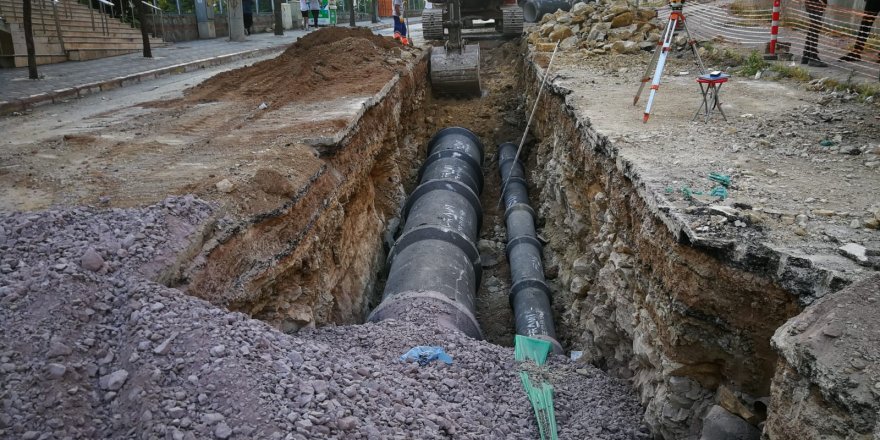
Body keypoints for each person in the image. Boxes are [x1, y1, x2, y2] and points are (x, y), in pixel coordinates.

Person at [802, 0, 828, 67]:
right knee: (815, 27)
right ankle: (813, 58)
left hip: (814, 3)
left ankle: (806, 55)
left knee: (813, 26)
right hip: (815, 3)